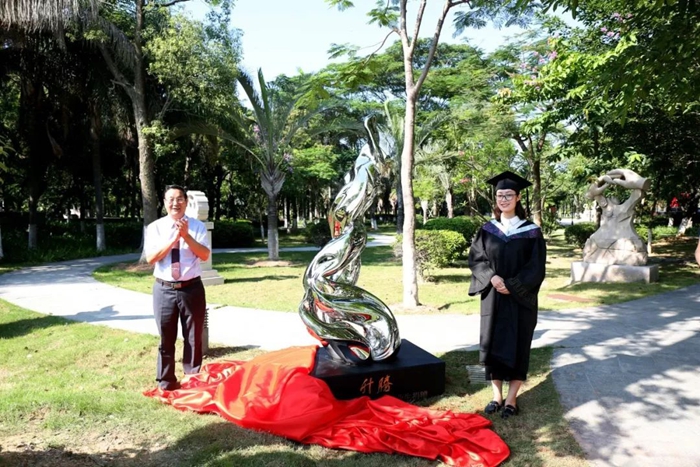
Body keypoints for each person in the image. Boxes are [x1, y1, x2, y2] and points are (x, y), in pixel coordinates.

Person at [467, 171, 546, 420]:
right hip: (493, 297)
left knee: (519, 344)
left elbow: (536, 267)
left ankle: (512, 399)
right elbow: (476, 258)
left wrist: (512, 285)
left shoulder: (531, 232)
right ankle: (496, 396)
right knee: (492, 343)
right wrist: (492, 277)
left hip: (520, 298)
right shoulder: (488, 230)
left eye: (509, 195)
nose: (504, 199)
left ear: (518, 197)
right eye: (500, 195)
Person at [144, 184, 210, 391]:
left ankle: (192, 379)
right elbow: (151, 258)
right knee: (166, 337)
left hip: (192, 288)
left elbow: (204, 254)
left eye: (179, 199)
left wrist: (186, 236)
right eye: (171, 199)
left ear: (186, 202)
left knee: (193, 337)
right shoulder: (155, 228)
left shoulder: (197, 226)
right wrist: (174, 238)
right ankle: (166, 381)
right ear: (165, 203)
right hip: (164, 289)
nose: (175, 203)